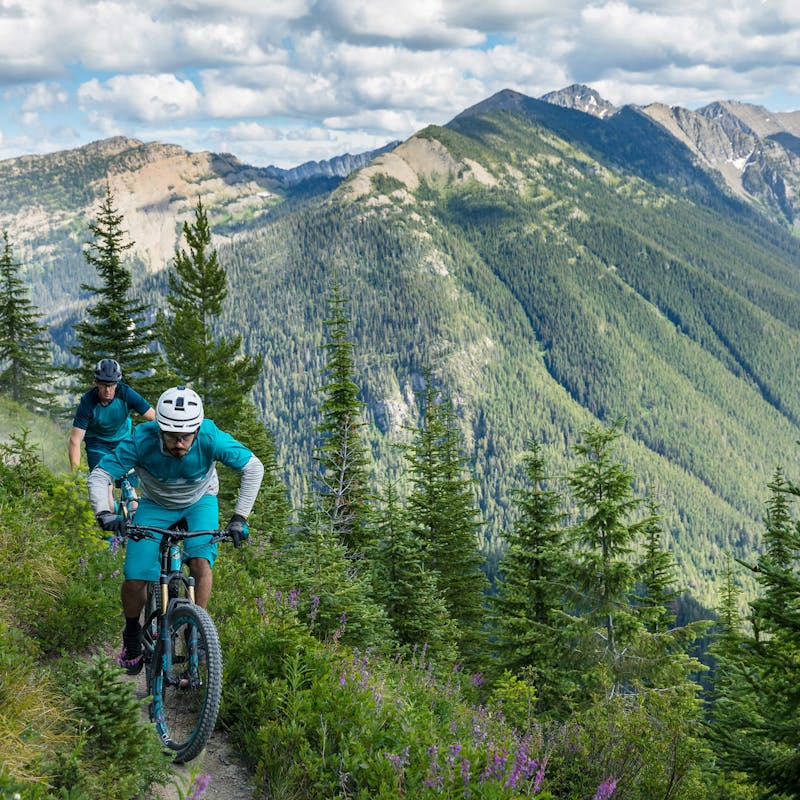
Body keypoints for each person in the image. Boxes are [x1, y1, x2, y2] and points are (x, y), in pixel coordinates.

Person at [87, 385, 264, 674]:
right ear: (159, 429)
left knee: (200, 562)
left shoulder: (209, 436)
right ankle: (132, 633)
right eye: (171, 436)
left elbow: (254, 467)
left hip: (200, 501)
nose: (179, 443)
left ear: (196, 430)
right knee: (135, 577)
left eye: (185, 437)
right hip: (155, 504)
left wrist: (240, 517)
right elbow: (101, 474)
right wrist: (104, 513)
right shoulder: (141, 440)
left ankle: (197, 628)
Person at [69, 358, 156, 507]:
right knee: (105, 488)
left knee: (130, 489)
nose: (107, 390)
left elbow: (153, 418)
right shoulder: (88, 402)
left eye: (111, 385)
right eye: (103, 385)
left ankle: (133, 523)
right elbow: (75, 441)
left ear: (117, 383)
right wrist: (75, 472)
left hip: (124, 441)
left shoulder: (126, 393)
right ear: (96, 383)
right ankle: (111, 522)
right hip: (97, 444)